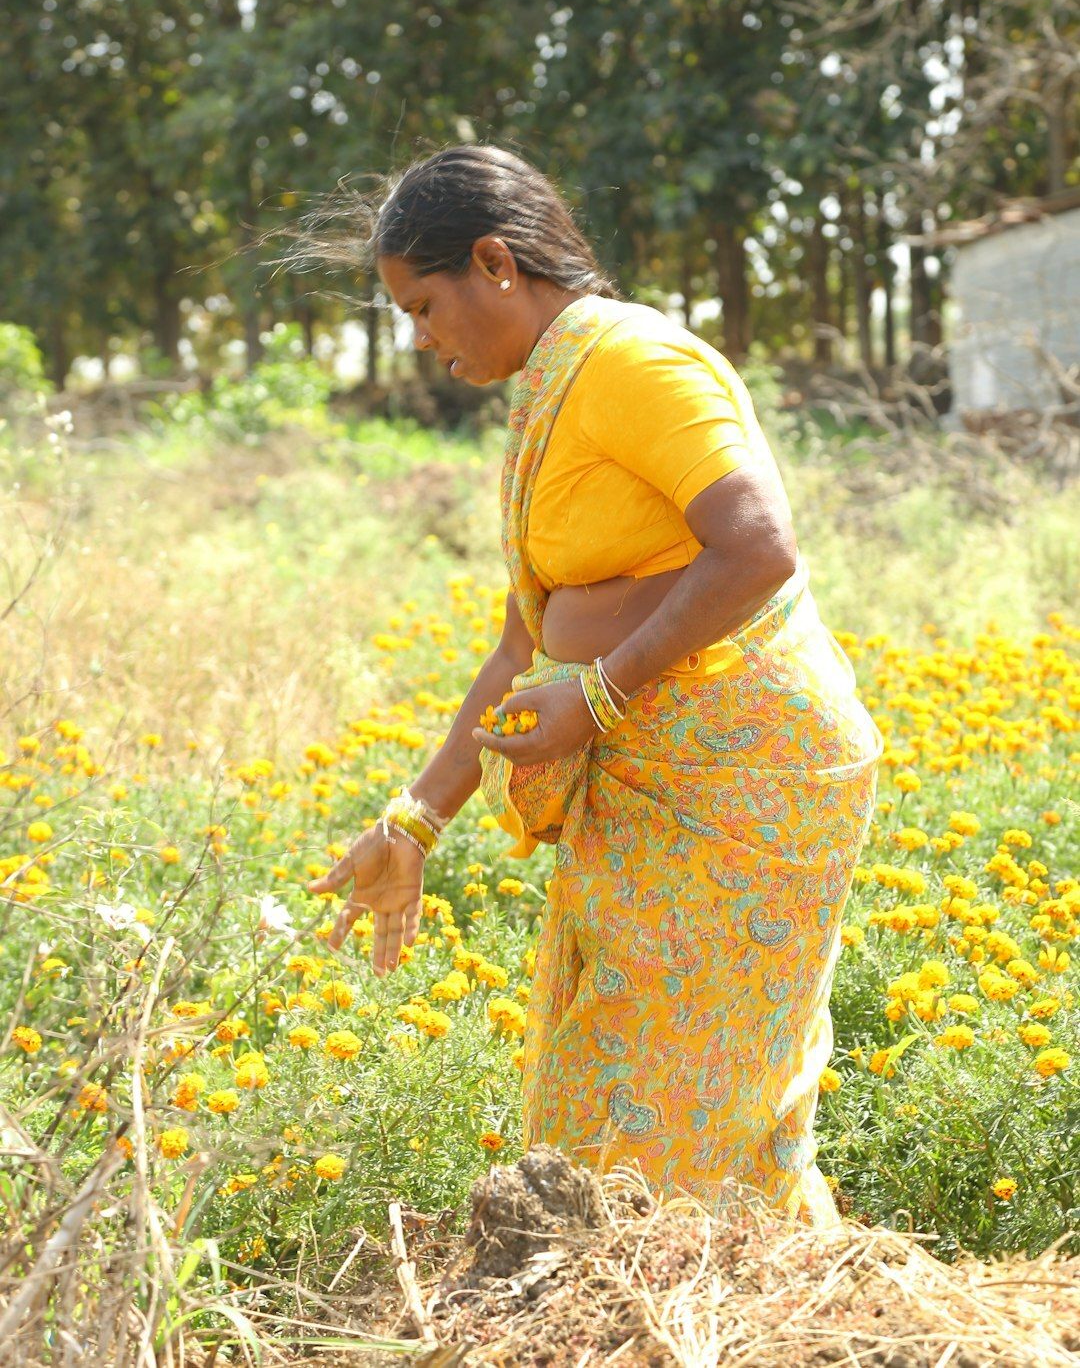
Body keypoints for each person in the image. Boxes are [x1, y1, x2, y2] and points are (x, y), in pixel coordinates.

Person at [304, 144, 883, 1229]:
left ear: (496, 262)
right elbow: (522, 646)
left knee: (688, 1107)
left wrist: (602, 699)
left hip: (742, 782)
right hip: (651, 783)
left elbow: (757, 546)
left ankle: (746, 1321)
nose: (422, 343)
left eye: (426, 308)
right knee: (617, 1091)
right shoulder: (548, 394)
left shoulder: (632, 363)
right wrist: (415, 822)